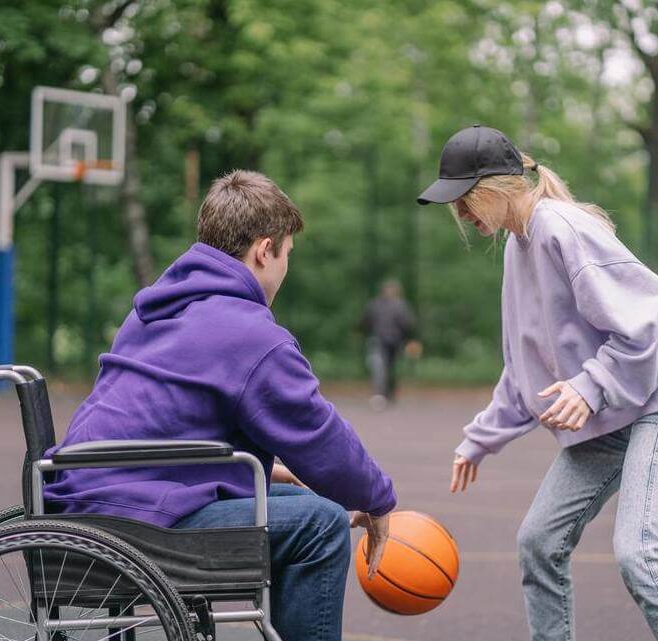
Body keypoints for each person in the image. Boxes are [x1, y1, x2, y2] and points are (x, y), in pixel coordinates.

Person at [44, 170, 396, 641]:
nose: (286, 267)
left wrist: (270, 472)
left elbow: (161, 424)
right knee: (322, 524)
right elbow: (317, 432)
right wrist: (376, 498)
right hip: (136, 521)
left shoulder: (155, 309)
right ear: (264, 250)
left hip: (88, 496)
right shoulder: (248, 333)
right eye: (287, 253)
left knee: (304, 500)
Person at [417, 125, 658, 641]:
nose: (461, 213)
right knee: (538, 542)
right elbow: (524, 370)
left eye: (465, 199)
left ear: (494, 188)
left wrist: (590, 386)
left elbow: (655, 315)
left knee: (639, 552)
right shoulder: (517, 245)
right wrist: (479, 439)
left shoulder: (561, 227)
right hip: (611, 415)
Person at [359, 279, 421, 409]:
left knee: (387, 367)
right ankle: (381, 394)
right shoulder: (390, 305)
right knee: (381, 367)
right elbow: (408, 324)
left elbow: (365, 322)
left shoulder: (385, 305)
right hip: (383, 340)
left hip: (389, 341)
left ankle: (387, 393)